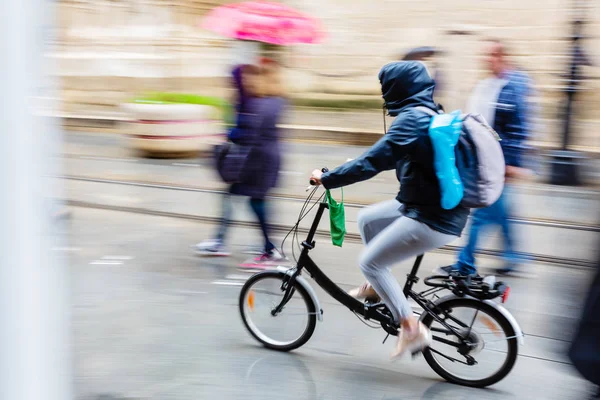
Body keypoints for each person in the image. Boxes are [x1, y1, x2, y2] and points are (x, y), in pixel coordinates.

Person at [310, 61, 470, 359]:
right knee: (368, 218)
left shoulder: (411, 120)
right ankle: (376, 287)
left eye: (385, 89)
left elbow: (373, 161)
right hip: (424, 206)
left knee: (370, 261)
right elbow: (389, 154)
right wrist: (350, 166)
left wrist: (329, 178)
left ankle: (411, 329)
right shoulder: (428, 112)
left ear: (395, 89)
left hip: (432, 218)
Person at [436, 40, 532, 278]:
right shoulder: (488, 84)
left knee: (484, 213)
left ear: (502, 56)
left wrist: (513, 163)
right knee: (500, 212)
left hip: (500, 161)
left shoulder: (515, 85)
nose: (486, 60)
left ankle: (464, 263)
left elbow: (519, 126)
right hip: (488, 158)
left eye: (491, 55)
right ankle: (514, 256)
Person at [196, 60, 286, 262]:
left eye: (253, 77)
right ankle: (266, 245)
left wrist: (229, 132)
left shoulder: (260, 104)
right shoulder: (277, 100)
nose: (249, 80)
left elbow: (248, 133)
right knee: (253, 200)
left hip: (258, 163)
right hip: (267, 160)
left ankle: (268, 248)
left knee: (252, 201)